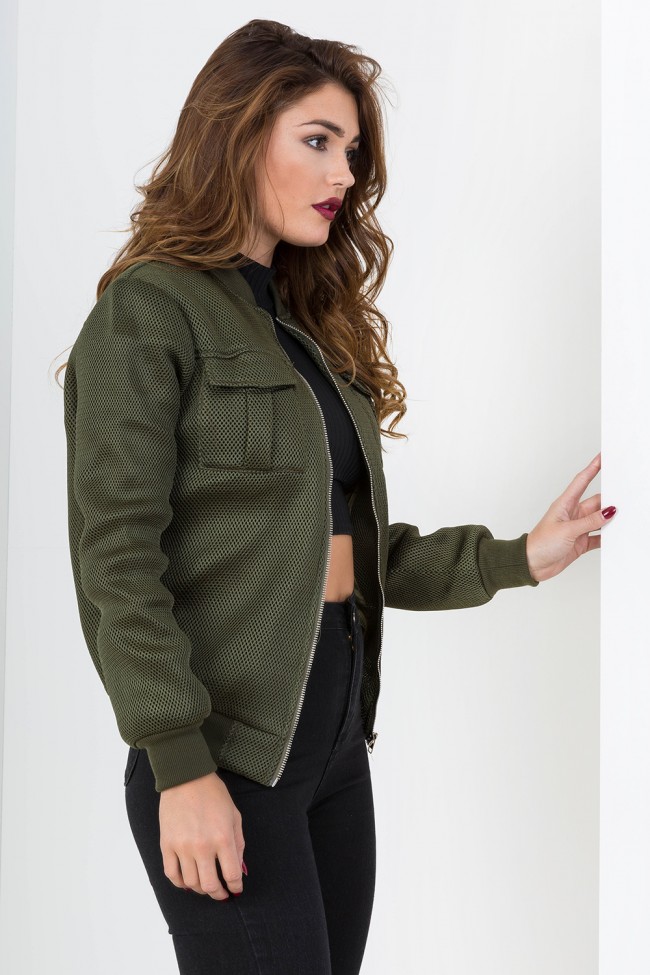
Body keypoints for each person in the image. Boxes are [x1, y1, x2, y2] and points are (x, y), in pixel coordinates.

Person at [59, 18, 613, 975]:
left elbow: (357, 549)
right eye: (317, 141)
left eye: (350, 150)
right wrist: (179, 764)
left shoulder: (303, 329)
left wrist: (521, 555)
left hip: (333, 741)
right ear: (237, 136)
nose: (343, 173)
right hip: (227, 751)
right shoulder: (147, 312)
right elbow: (115, 561)